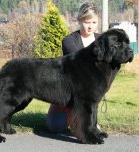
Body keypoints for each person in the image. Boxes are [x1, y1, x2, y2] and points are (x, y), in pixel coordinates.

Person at [46, 2, 99, 132]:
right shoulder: (69, 41)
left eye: (93, 22)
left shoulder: (101, 40)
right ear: (80, 20)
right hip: (67, 94)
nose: (90, 26)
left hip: (89, 95)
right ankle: (77, 119)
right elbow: (82, 63)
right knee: (55, 126)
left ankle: (85, 121)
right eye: (87, 22)